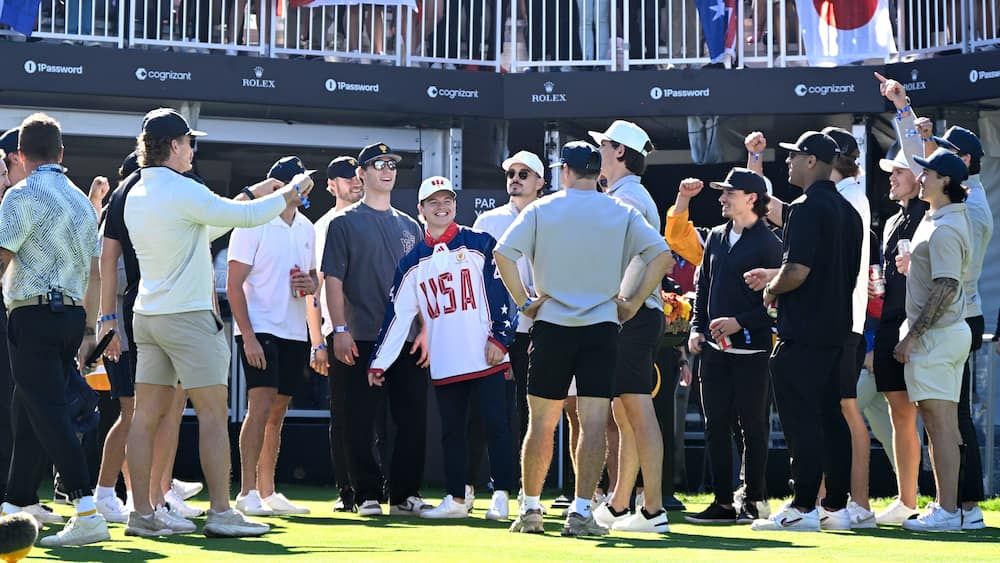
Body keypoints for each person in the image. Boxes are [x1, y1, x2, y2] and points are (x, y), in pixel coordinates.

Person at [123, 108, 312, 538]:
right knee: (212, 413)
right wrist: (291, 193)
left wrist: (257, 196)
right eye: (189, 142)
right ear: (174, 146)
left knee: (144, 417)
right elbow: (240, 217)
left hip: (147, 318)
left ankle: (141, 515)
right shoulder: (181, 187)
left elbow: (203, 230)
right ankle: (223, 513)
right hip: (188, 318)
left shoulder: (138, 190)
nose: (192, 149)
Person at [497, 141, 673, 537]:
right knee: (593, 423)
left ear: (564, 171)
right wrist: (631, 304)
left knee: (541, 423)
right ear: (597, 172)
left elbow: (502, 253)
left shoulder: (543, 209)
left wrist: (525, 303)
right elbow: (662, 256)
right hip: (601, 327)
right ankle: (580, 513)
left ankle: (529, 510)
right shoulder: (620, 210)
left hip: (552, 326)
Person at [369, 176, 516, 521]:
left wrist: (501, 338)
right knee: (451, 432)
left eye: (447, 200)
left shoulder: (480, 243)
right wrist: (380, 361)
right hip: (447, 360)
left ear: (455, 204)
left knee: (497, 425)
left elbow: (502, 292)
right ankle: (456, 497)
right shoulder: (412, 262)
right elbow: (397, 316)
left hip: (487, 354)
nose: (441, 207)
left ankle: (502, 494)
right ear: (420, 210)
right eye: (433, 202)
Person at [0, 113, 107, 546]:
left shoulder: (20, 194)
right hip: (71, 318)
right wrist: (87, 332)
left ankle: (85, 508)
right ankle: (15, 503)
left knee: (45, 412)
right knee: (27, 410)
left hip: (32, 315)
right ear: (62, 153)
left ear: (20, 156)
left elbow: (2, 255)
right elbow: (96, 273)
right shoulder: (83, 199)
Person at [747, 131, 862, 532]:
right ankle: (835, 506)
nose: (790, 162)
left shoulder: (806, 207)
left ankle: (803, 506)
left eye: (795, 156)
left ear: (813, 161)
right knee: (832, 417)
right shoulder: (849, 211)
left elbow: (796, 271)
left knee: (802, 420)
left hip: (805, 331)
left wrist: (770, 289)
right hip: (838, 331)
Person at [322, 142, 430, 518]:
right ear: (361, 174)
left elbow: (422, 284)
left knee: (413, 418)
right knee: (359, 419)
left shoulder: (410, 226)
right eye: (377, 164)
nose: (386, 170)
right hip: (361, 335)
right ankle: (366, 493)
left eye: (391, 164)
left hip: (405, 338)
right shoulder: (342, 223)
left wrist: (425, 329)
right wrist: (338, 329)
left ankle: (404, 495)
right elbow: (332, 281)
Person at [682, 169, 780, 525]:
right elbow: (703, 288)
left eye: (729, 193)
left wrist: (740, 322)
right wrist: (695, 329)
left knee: (753, 426)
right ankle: (723, 502)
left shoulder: (771, 243)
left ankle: (755, 499)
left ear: (752, 198)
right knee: (716, 425)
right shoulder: (717, 238)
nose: (722, 198)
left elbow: (776, 303)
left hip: (753, 352)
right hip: (713, 352)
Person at [587, 120, 669, 532]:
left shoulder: (629, 198)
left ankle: (653, 510)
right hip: (632, 315)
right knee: (625, 411)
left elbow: (658, 254)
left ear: (620, 152)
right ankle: (621, 503)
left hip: (633, 316)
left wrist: (629, 302)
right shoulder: (624, 195)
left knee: (636, 409)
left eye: (602, 146)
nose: (597, 152)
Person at [230, 156, 318, 517]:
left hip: (294, 331)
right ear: (282, 187)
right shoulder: (252, 223)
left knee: (278, 411)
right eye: (300, 183)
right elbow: (234, 286)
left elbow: (314, 279)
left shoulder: (308, 227)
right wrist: (248, 337)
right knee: (261, 405)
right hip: (259, 327)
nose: (306, 188)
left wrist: (310, 285)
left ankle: (267, 491)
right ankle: (247, 492)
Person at [895, 148, 973, 532]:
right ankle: (948, 508)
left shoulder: (945, 226)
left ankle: (947, 510)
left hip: (937, 337)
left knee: (940, 425)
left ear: (944, 180)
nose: (920, 177)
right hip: (941, 336)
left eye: (927, 173)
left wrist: (912, 336)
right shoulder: (937, 218)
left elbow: (945, 287)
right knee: (937, 423)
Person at [871, 74, 930, 525]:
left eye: (898, 173)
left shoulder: (932, 207)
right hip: (892, 323)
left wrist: (900, 103)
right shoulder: (890, 222)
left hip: (926, 324)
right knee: (898, 411)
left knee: (936, 414)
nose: (891, 179)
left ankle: (953, 502)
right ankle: (907, 499)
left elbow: (916, 152)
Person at [471, 150, 545, 510]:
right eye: (511, 173)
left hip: (538, 330)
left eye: (524, 174)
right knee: (491, 410)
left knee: (531, 412)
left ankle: (527, 492)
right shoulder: (487, 220)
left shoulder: (551, 217)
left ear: (540, 183)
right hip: (494, 330)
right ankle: (483, 488)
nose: (515, 179)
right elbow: (478, 277)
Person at [927, 126, 991, 530]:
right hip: (956, 312)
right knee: (947, 411)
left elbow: (957, 274)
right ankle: (959, 503)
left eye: (944, 154)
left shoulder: (974, 207)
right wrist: (903, 110)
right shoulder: (964, 197)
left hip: (959, 313)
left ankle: (966, 502)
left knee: (954, 414)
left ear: (962, 162)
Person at [821, 126, 876, 529]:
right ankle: (830, 500)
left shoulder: (850, 197)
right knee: (832, 410)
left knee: (845, 409)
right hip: (841, 320)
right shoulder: (844, 194)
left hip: (846, 322)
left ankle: (859, 503)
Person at [307, 156, 364, 512]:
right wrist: (317, 341)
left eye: (357, 175)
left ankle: (378, 490)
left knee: (378, 415)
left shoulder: (377, 218)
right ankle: (348, 492)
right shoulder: (321, 227)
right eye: (345, 177)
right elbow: (313, 290)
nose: (354, 182)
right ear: (331, 186)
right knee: (344, 414)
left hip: (378, 331)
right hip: (336, 332)